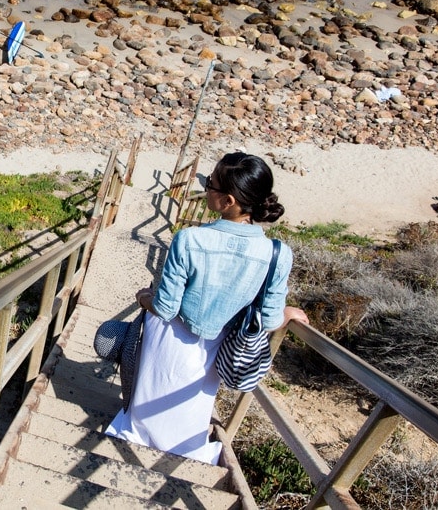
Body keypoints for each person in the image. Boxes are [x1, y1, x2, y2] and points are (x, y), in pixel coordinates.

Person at [105, 151, 309, 465]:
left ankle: (132, 447)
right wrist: (288, 314)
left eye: (209, 183)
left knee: (148, 407)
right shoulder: (278, 253)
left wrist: (144, 298)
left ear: (228, 201)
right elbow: (268, 318)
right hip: (218, 348)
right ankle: (184, 458)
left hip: (169, 340)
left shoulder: (189, 240)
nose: (205, 188)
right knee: (192, 410)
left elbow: (167, 308)